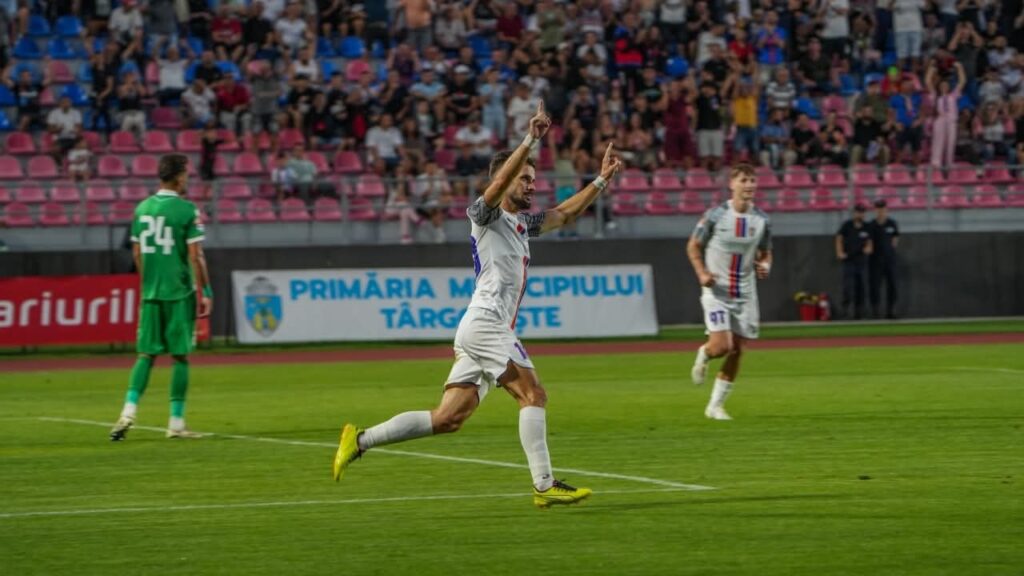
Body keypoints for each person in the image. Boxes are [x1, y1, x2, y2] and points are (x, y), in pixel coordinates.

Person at [333, 102, 623, 508]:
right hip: (487, 324)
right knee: (533, 394)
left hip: (481, 328)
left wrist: (601, 181)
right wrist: (529, 140)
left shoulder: (523, 224)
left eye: (533, 179)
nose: (531, 185)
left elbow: (564, 215)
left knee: (448, 419)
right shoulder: (483, 215)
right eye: (524, 179)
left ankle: (359, 440)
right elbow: (498, 185)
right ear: (504, 183)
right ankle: (543, 485)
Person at [110, 154, 212, 441]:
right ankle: (176, 423)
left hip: (151, 292)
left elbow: (137, 253)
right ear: (179, 176)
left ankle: (128, 412)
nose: (188, 179)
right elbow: (196, 255)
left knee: (146, 355)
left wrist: (149, 281)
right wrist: (206, 290)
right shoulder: (187, 210)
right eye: (187, 174)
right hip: (179, 292)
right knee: (180, 356)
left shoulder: (142, 209)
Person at [687, 164, 773, 421]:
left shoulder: (762, 220)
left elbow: (766, 251)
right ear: (732, 184)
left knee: (738, 350)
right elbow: (693, 245)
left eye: (753, 180)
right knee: (722, 346)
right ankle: (705, 352)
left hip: (745, 293)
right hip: (716, 291)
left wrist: (766, 265)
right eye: (744, 180)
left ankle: (715, 406)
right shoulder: (715, 215)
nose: (749, 185)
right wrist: (702, 273)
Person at [835, 203, 874, 319]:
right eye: (858, 212)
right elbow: (839, 238)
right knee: (847, 287)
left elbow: (870, 242)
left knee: (861, 287)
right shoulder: (847, 225)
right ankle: (845, 311)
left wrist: (869, 249)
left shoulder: (867, 227)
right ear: (854, 213)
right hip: (848, 260)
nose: (860, 214)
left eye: (862, 212)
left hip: (861, 261)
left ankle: (859, 312)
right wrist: (839, 252)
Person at [868, 199, 900, 319]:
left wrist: (891, 249)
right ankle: (875, 311)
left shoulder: (892, 223)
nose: (881, 211)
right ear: (875, 210)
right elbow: (869, 241)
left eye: (883, 209)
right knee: (875, 286)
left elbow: (895, 238)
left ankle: (891, 310)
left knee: (892, 285)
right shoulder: (871, 225)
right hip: (875, 260)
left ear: (886, 210)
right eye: (878, 209)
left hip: (890, 260)